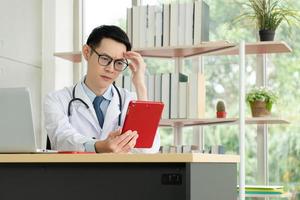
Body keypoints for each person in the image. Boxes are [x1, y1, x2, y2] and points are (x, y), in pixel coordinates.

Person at [44, 25, 160, 153]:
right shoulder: (57, 100)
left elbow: (148, 149)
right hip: (75, 172)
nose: (111, 69)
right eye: (105, 59)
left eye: (119, 63)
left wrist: (140, 85)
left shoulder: (130, 100)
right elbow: (61, 140)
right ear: (87, 52)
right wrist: (99, 146)